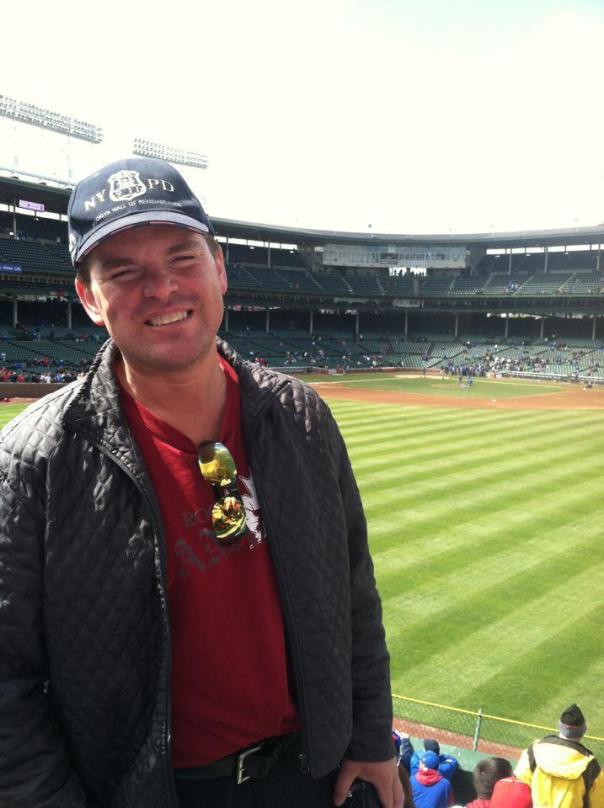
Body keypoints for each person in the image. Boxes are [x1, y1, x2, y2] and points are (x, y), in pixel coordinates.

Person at [0, 158, 402, 808]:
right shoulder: (33, 459)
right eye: (123, 271)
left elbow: (355, 593)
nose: (160, 287)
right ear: (89, 298)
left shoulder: (301, 418)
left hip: (311, 778)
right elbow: (7, 682)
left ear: (219, 267)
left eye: (181, 258)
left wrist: (372, 736)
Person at [515, 704, 604, 808]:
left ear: (559, 726)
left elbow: (520, 785)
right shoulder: (591, 767)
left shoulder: (533, 752)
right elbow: (598, 803)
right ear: (583, 730)